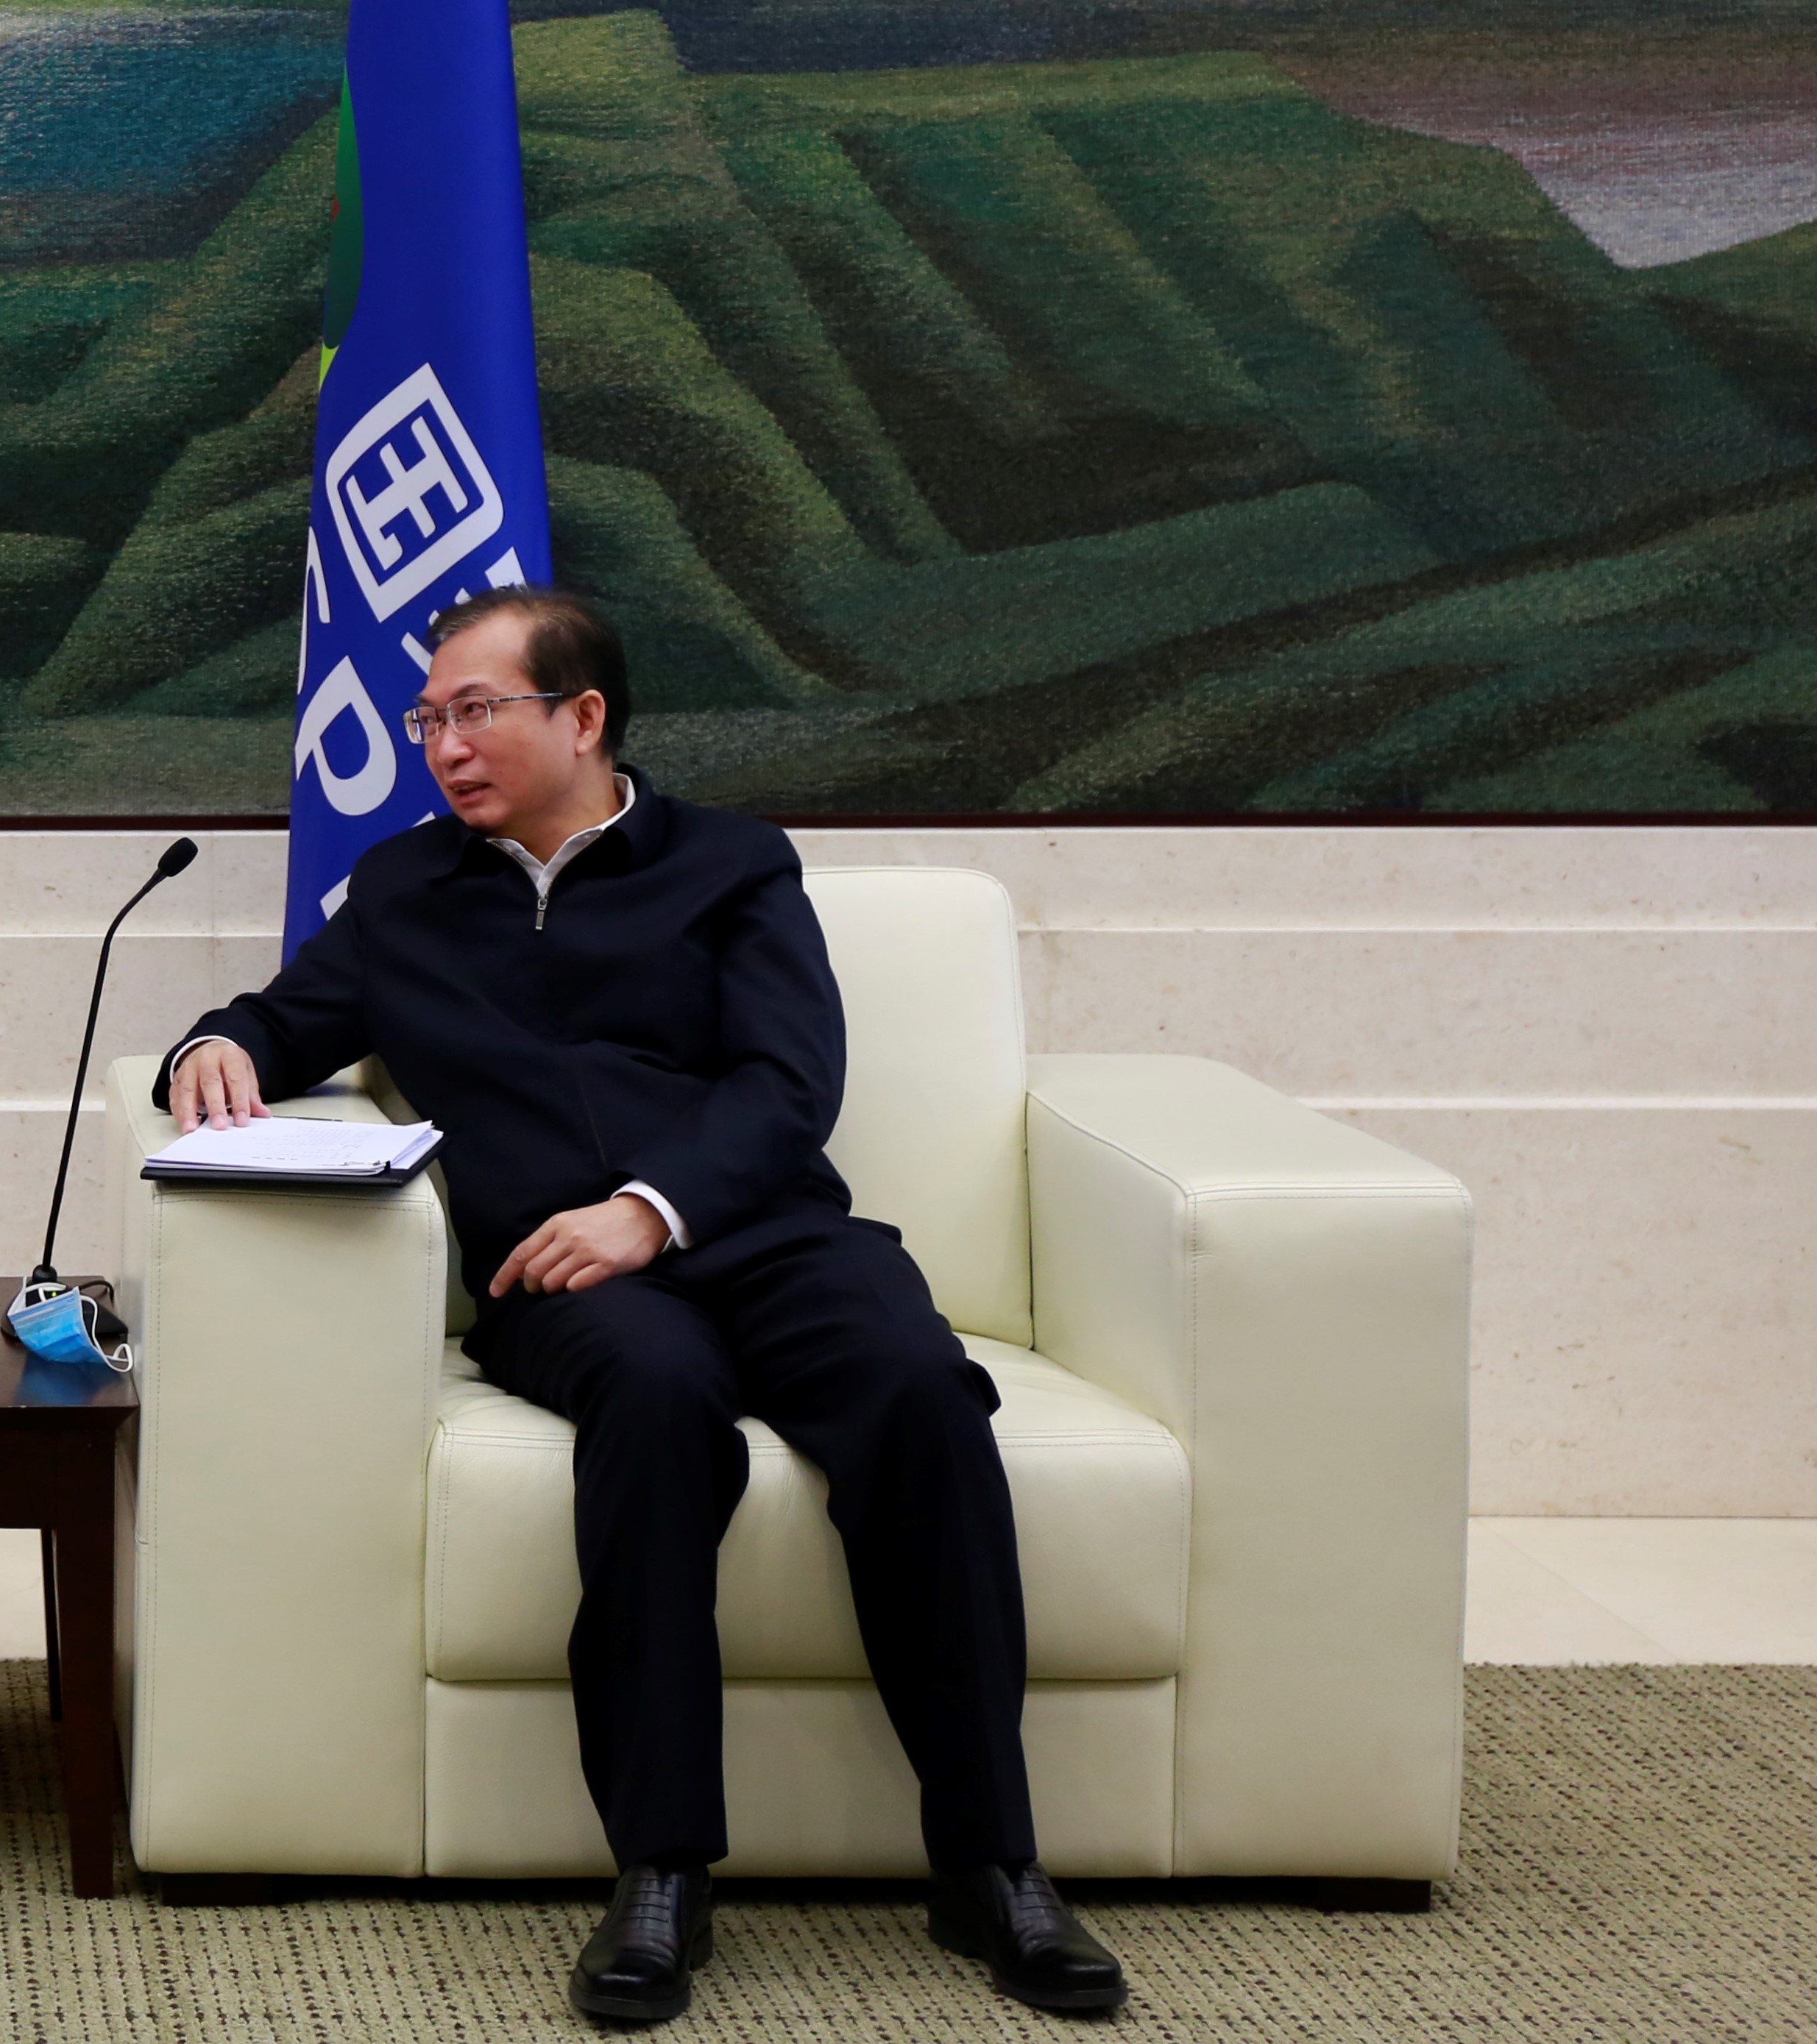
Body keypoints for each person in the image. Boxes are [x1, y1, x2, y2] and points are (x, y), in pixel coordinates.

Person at [162, 586, 1124, 2027]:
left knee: (916, 1394)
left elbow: (788, 1082)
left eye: (473, 711)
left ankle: (992, 1863)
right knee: (660, 1405)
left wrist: (652, 1208)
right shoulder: (405, 888)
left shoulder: (730, 865)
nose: (441, 745)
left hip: (763, 1237)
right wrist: (214, 1043)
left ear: (582, 717)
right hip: (552, 1276)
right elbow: (286, 1019)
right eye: (427, 719)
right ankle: (661, 1870)